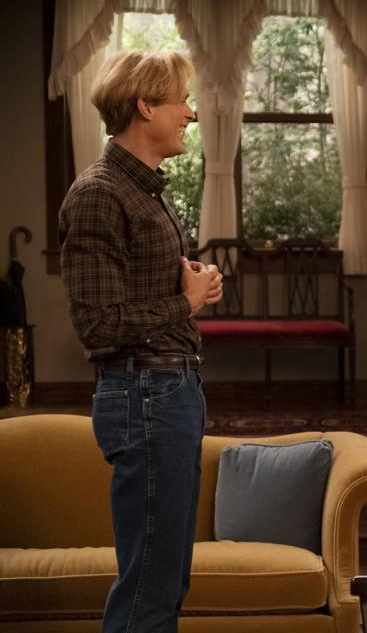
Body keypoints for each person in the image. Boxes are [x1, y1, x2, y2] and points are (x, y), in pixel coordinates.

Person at [59, 50, 223, 632]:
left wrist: (191, 285)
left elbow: (139, 293)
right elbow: (98, 326)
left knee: (166, 583)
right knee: (149, 590)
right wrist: (187, 302)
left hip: (171, 390)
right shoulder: (99, 194)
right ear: (145, 106)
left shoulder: (144, 192)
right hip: (146, 395)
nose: (191, 113)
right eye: (182, 100)